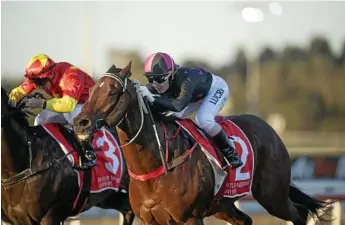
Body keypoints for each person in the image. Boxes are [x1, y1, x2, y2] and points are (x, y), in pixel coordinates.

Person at [139, 52, 243, 169]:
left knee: (203, 119)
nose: (155, 84)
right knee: (171, 116)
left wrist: (153, 98)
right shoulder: (159, 83)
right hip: (193, 96)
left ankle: (230, 153)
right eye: (150, 78)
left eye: (159, 78)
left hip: (214, 89)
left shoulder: (185, 80)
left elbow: (179, 105)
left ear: (172, 74)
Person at [8, 53, 97, 168]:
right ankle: (52, 151)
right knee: (41, 119)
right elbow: (20, 90)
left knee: (74, 116)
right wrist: (13, 98)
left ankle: (88, 153)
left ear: (52, 74)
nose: (38, 86)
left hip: (86, 106)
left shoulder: (71, 74)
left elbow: (68, 105)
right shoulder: (40, 77)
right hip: (66, 106)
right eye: (35, 82)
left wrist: (42, 103)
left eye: (40, 82)